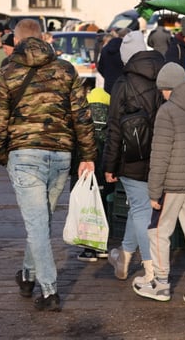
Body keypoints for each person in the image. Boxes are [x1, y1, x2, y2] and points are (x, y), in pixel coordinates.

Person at [0, 18, 97, 311]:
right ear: (43, 37)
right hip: (60, 154)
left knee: (37, 224)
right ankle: (27, 275)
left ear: (16, 39)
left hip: (24, 154)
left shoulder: (8, 71)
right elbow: (82, 116)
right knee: (41, 221)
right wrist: (87, 155)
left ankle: (49, 291)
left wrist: (2, 154)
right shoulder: (65, 69)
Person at [133, 63, 185, 305]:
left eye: (163, 90)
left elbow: (160, 155)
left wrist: (154, 191)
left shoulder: (167, 111)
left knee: (159, 231)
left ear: (168, 87)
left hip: (172, 183)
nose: (162, 94)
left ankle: (160, 284)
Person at [104, 31, 166, 284]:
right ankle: (124, 256)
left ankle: (152, 271)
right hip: (161, 152)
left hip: (132, 156)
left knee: (141, 210)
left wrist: (109, 164)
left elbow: (114, 127)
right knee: (139, 207)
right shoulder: (164, 74)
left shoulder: (123, 83)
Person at [70, 86, 113, 262]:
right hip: (105, 171)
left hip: (84, 170)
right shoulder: (111, 118)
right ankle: (102, 246)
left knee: (85, 208)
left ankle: (88, 249)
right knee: (103, 207)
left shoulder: (82, 118)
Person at [97, 29, 127, 94]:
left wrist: (107, 76)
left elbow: (100, 67)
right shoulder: (125, 49)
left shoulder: (105, 49)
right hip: (122, 85)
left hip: (108, 84)